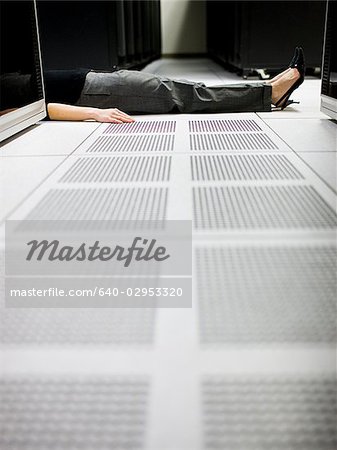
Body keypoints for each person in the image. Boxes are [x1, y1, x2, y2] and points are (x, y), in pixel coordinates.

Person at [46, 47, 305, 124]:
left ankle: (267, 87)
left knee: (183, 87)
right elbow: (40, 107)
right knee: (186, 95)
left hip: (95, 83)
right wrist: (94, 113)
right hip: (93, 92)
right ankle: (271, 93)